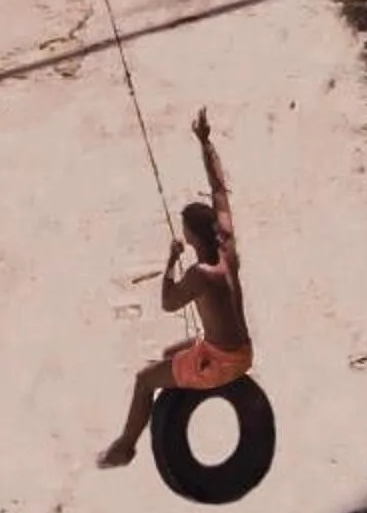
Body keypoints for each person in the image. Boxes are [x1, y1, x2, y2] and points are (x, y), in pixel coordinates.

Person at [99, 110, 252, 469]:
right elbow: (218, 189)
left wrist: (170, 261)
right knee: (171, 352)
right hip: (243, 351)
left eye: (184, 229)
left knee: (144, 380)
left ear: (192, 237)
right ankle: (199, 385)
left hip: (222, 362)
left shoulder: (201, 273)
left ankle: (124, 449)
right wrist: (205, 142)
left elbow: (169, 303)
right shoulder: (227, 246)